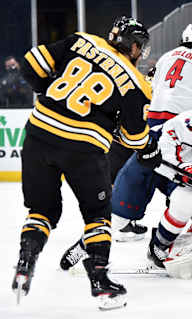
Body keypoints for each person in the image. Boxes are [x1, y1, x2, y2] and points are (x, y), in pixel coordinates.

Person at [12, 16, 156, 310]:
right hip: (83, 149)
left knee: (43, 210)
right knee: (97, 214)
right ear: (134, 46)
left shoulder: (81, 40)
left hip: (39, 134)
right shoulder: (137, 84)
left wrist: (49, 92)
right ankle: (101, 282)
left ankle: (25, 261)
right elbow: (135, 138)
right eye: (140, 47)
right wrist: (147, 146)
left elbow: (31, 62)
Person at [60, 97, 192, 271]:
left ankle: (158, 246)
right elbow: (164, 157)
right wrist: (188, 172)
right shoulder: (181, 124)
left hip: (179, 174)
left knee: (187, 199)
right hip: (147, 164)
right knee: (119, 217)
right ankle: (84, 245)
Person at [105, 24, 192, 242]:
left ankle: (122, 220)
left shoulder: (165, 57)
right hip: (181, 126)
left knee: (146, 168)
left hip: (151, 123)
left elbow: (152, 90)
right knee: (189, 169)